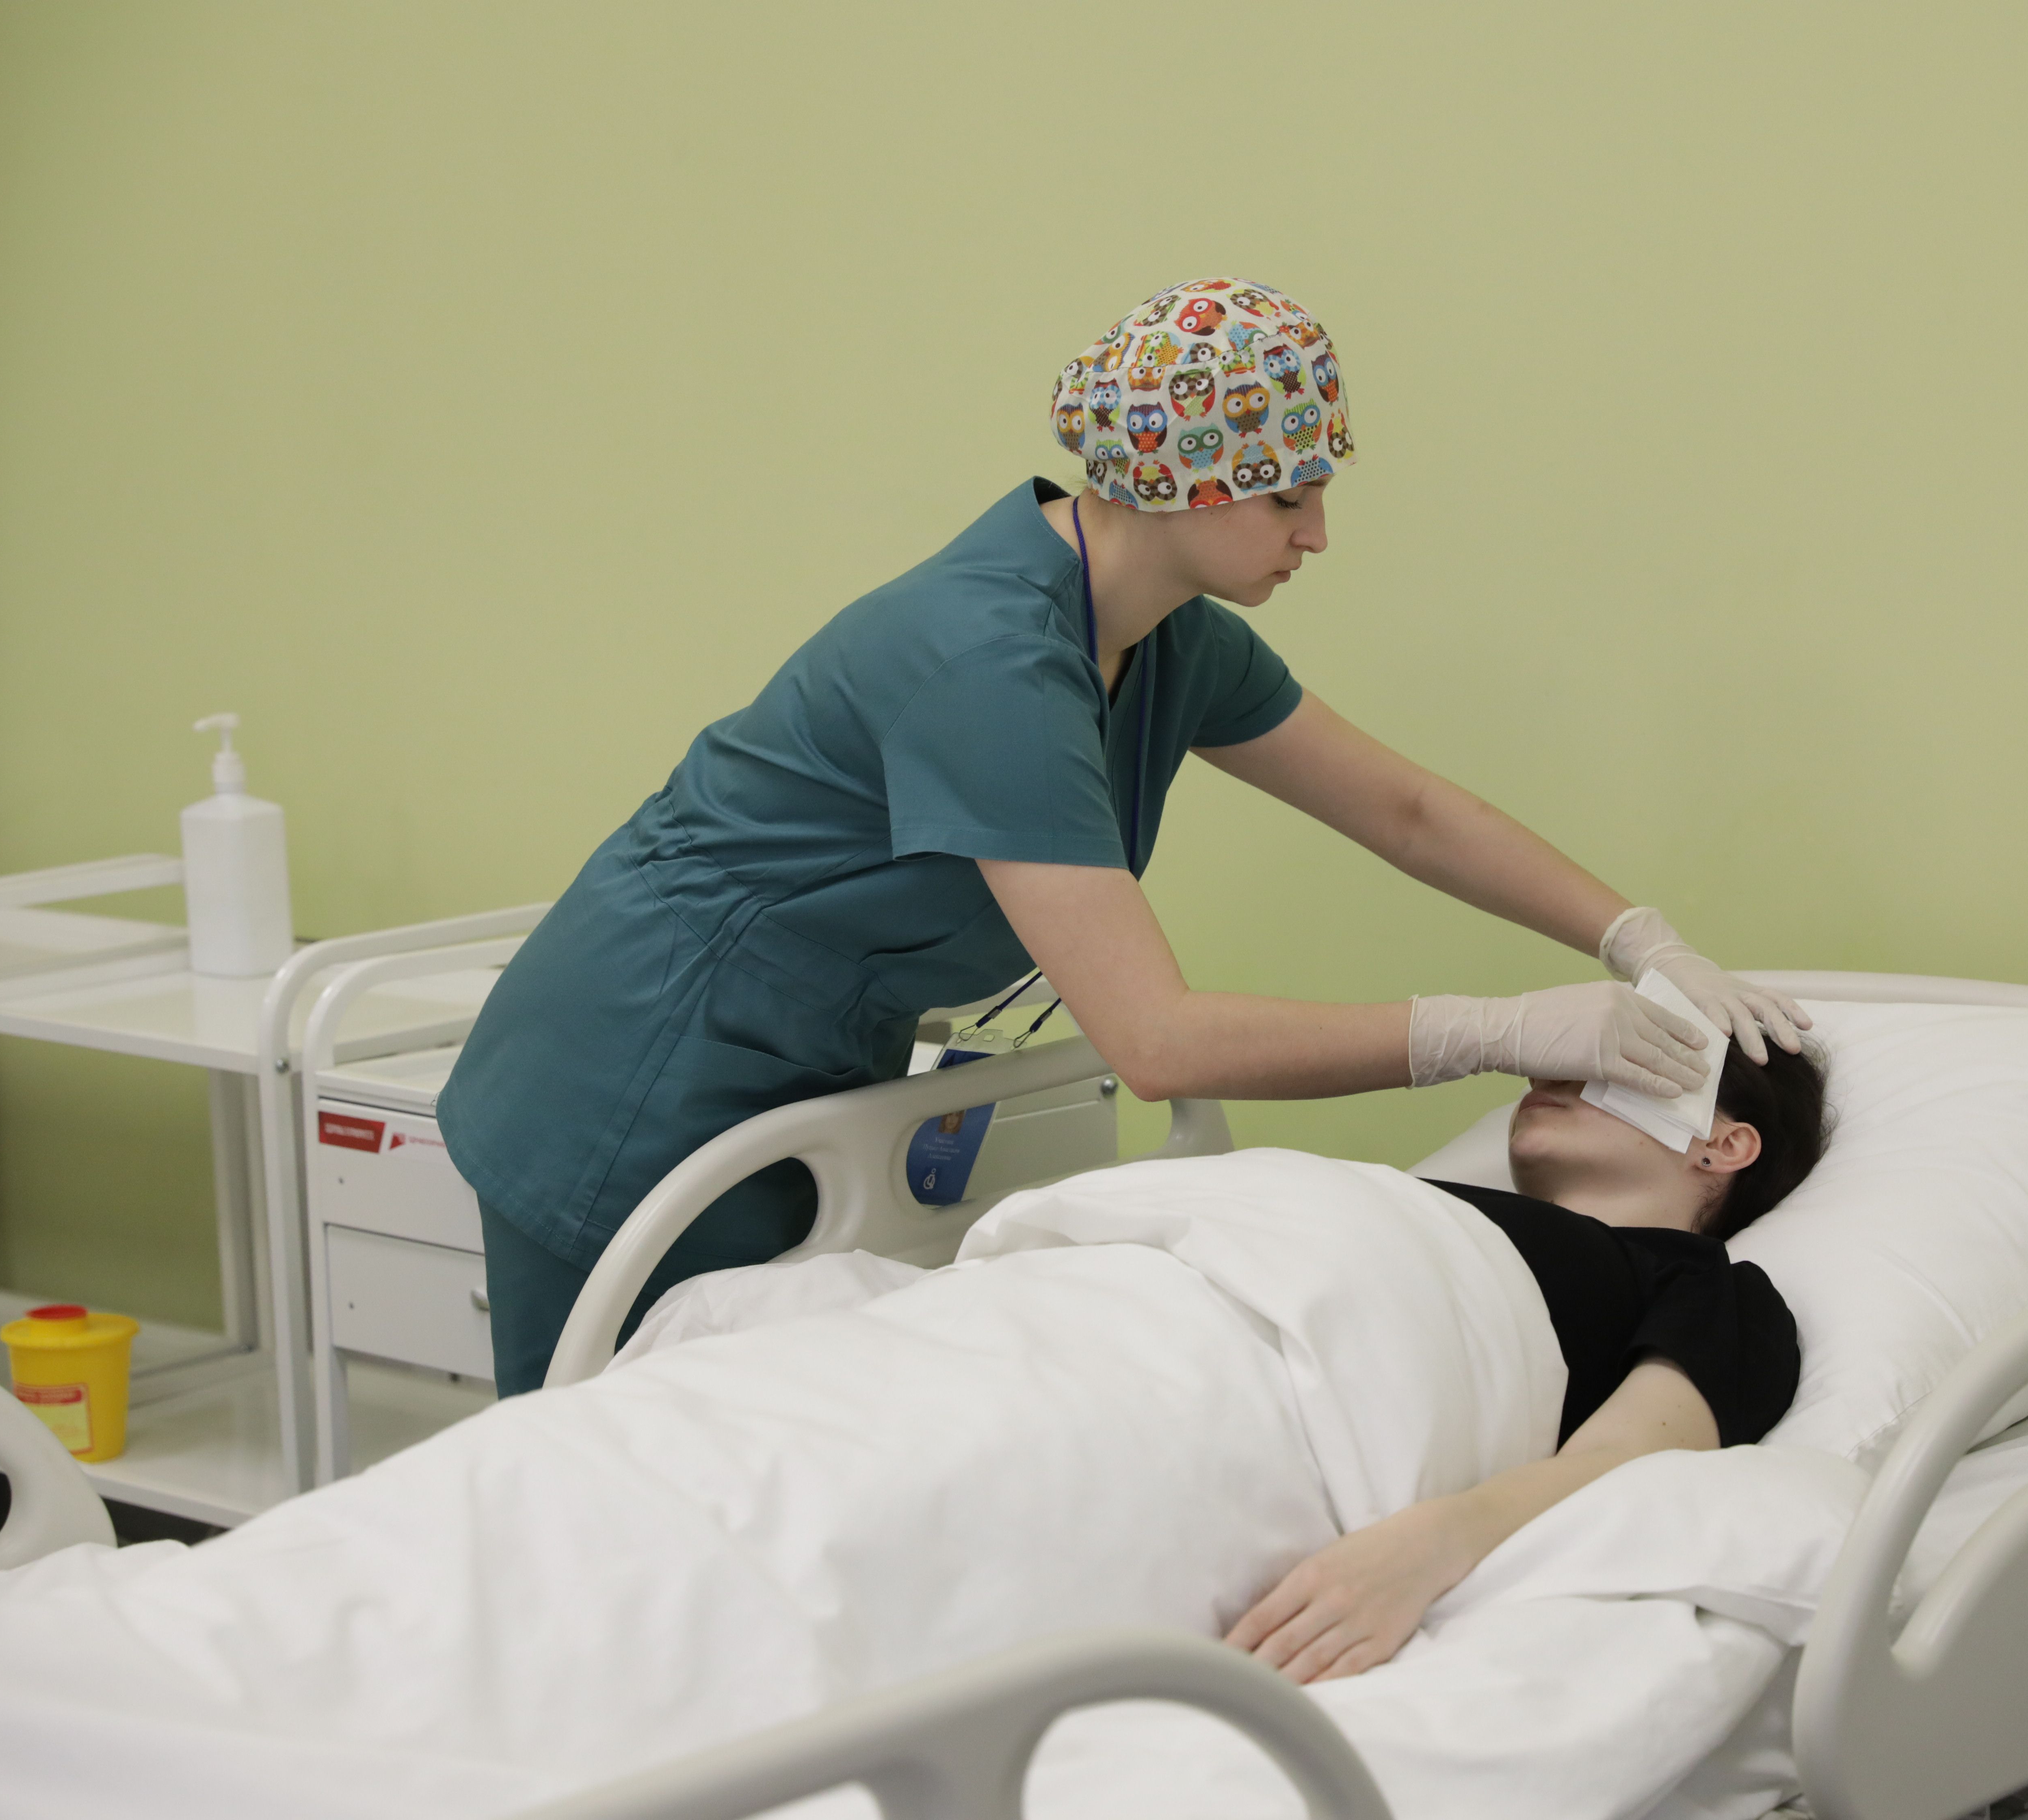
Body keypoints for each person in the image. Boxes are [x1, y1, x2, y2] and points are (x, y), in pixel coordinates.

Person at [440, 275, 1812, 1394]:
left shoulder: (1167, 642)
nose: (1319, 535)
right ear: (1182, 481)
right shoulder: (988, 661)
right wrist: (1489, 1031)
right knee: (601, 1486)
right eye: (1290, 497)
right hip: (632, 1075)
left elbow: (1408, 811)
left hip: (801, 1081)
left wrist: (1637, 936)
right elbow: (1156, 1042)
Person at [1231, 1039, 1830, 1684]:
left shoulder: (1714, 1289)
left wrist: (1427, 1548)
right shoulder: (1422, 1200)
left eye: (1621, 1068)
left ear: (1723, 1145)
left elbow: (1627, 1462)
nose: (1552, 1076)